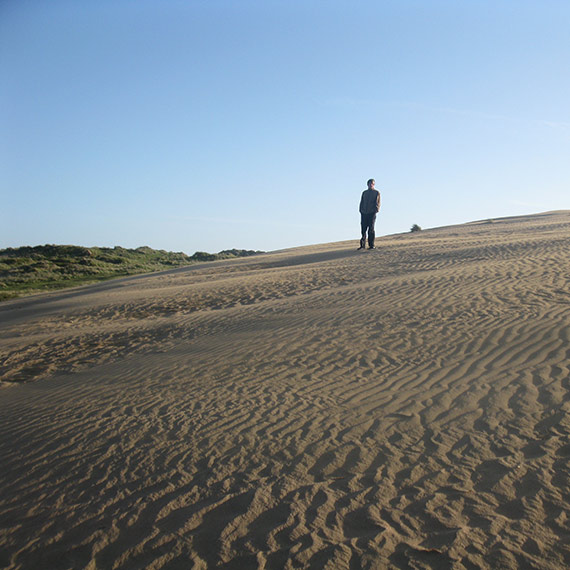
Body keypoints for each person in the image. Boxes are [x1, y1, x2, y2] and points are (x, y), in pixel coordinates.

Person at [358, 178, 381, 250]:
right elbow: (361, 202)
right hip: (364, 213)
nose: (371, 185)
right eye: (370, 183)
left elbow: (377, 203)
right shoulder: (364, 193)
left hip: (372, 213)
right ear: (367, 184)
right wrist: (361, 210)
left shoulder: (376, 193)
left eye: (372, 184)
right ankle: (362, 245)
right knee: (363, 229)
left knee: (371, 229)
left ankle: (371, 245)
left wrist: (375, 210)